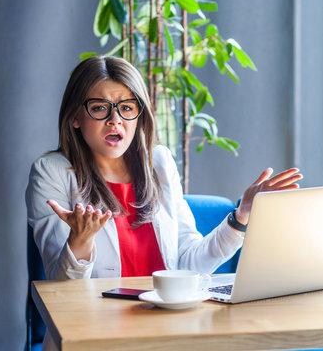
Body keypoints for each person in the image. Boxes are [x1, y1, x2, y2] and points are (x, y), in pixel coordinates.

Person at [25, 55, 302, 349]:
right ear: (75, 117)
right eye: (99, 108)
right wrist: (80, 242)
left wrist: (241, 217)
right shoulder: (51, 171)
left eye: (127, 108)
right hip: (97, 335)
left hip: (170, 332)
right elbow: (62, 295)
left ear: (140, 115)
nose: (115, 119)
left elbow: (190, 263)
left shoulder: (158, 162)